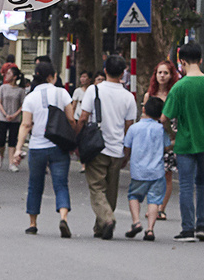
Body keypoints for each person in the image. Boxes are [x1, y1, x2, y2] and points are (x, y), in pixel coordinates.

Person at [161, 42, 204, 242]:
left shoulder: (179, 88)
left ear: (181, 61)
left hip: (185, 143)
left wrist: (172, 136)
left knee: (187, 185)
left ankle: (187, 228)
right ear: (200, 60)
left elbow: (164, 118)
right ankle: (202, 227)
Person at [71, 55, 138, 237]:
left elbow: (83, 117)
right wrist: (127, 152)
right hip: (117, 149)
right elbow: (129, 126)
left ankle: (107, 219)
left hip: (96, 147)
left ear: (105, 70)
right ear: (123, 73)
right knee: (110, 191)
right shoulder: (128, 97)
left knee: (97, 188)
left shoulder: (94, 90)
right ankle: (100, 227)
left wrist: (76, 139)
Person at [12, 60, 72, 236]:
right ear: (52, 77)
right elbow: (71, 119)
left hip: (37, 147)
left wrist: (17, 149)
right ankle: (63, 217)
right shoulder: (62, 93)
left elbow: (25, 125)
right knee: (61, 184)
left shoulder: (30, 97)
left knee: (34, 185)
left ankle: (33, 223)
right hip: (59, 146)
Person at [122, 96, 169, 240]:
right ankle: (150, 229)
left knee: (134, 196)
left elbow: (127, 147)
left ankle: (136, 221)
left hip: (138, 171)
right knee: (154, 200)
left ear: (143, 109)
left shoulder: (134, 128)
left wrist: (124, 161)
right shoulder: (161, 129)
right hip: (157, 171)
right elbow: (166, 147)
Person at [144, 59, 180, 218]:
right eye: (160, 73)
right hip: (153, 141)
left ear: (171, 75)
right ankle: (151, 207)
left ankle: (161, 208)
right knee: (151, 175)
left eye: (166, 73)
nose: (162, 76)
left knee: (167, 174)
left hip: (170, 140)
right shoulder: (149, 95)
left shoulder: (175, 95)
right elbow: (144, 118)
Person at [0, 68, 26, 170]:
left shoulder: (21, 90)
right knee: (1, 140)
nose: (6, 75)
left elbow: (23, 105)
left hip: (15, 119)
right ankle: (0, 156)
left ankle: (11, 163)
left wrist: (15, 114)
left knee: (12, 140)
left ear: (15, 77)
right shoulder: (3, 88)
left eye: (9, 73)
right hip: (2, 117)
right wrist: (5, 113)